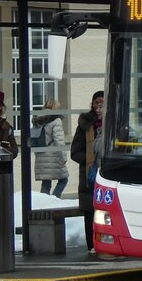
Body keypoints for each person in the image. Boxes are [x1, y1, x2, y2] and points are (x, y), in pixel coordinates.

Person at [70, 91, 104, 254]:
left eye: (102, 102)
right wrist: (89, 160)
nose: (99, 105)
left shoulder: (113, 122)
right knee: (90, 211)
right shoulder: (84, 125)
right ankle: (91, 245)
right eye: (96, 102)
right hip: (89, 177)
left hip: (107, 174)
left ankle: (107, 242)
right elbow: (75, 151)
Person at [32, 97, 68, 198]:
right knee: (64, 180)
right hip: (53, 156)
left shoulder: (37, 120)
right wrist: (64, 157)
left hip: (41, 156)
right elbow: (59, 141)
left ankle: (44, 205)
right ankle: (54, 200)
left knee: (46, 183)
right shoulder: (56, 120)